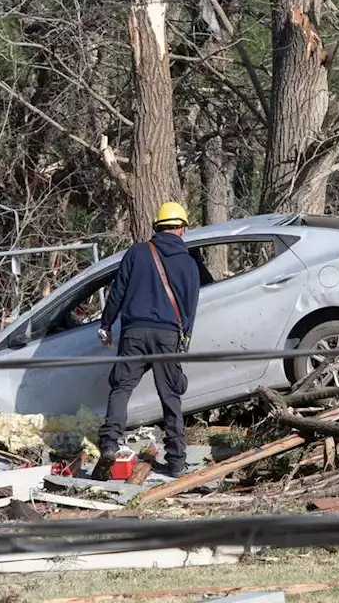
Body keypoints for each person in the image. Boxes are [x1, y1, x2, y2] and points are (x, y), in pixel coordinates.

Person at [93, 202, 201, 479]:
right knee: (170, 396)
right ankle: (176, 461)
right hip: (167, 335)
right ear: (182, 229)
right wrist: (183, 338)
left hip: (134, 333)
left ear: (156, 227)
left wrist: (106, 324)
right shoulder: (189, 262)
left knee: (121, 388)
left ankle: (109, 444)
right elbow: (190, 305)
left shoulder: (137, 253)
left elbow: (117, 292)